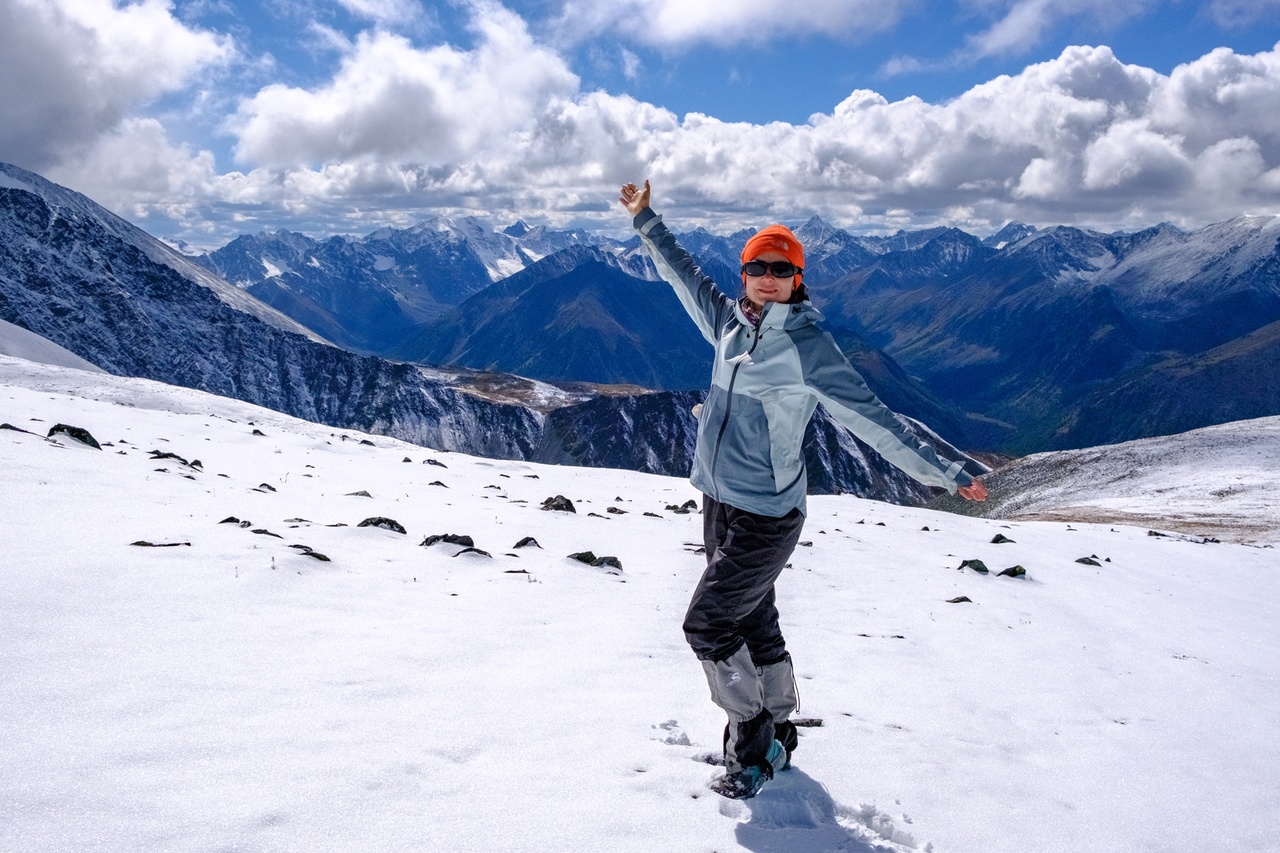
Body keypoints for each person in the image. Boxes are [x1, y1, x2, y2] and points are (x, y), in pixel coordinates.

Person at [618, 180, 988, 799]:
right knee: (753, 619)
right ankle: (781, 731)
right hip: (718, 500)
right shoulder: (728, 323)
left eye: (781, 269)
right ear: (743, 274)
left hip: (768, 513)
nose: (768, 278)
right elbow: (683, 274)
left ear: (798, 279)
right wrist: (645, 219)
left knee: (708, 624)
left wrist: (945, 471)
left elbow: (874, 419)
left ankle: (752, 743)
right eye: (758, 267)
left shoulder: (809, 347)